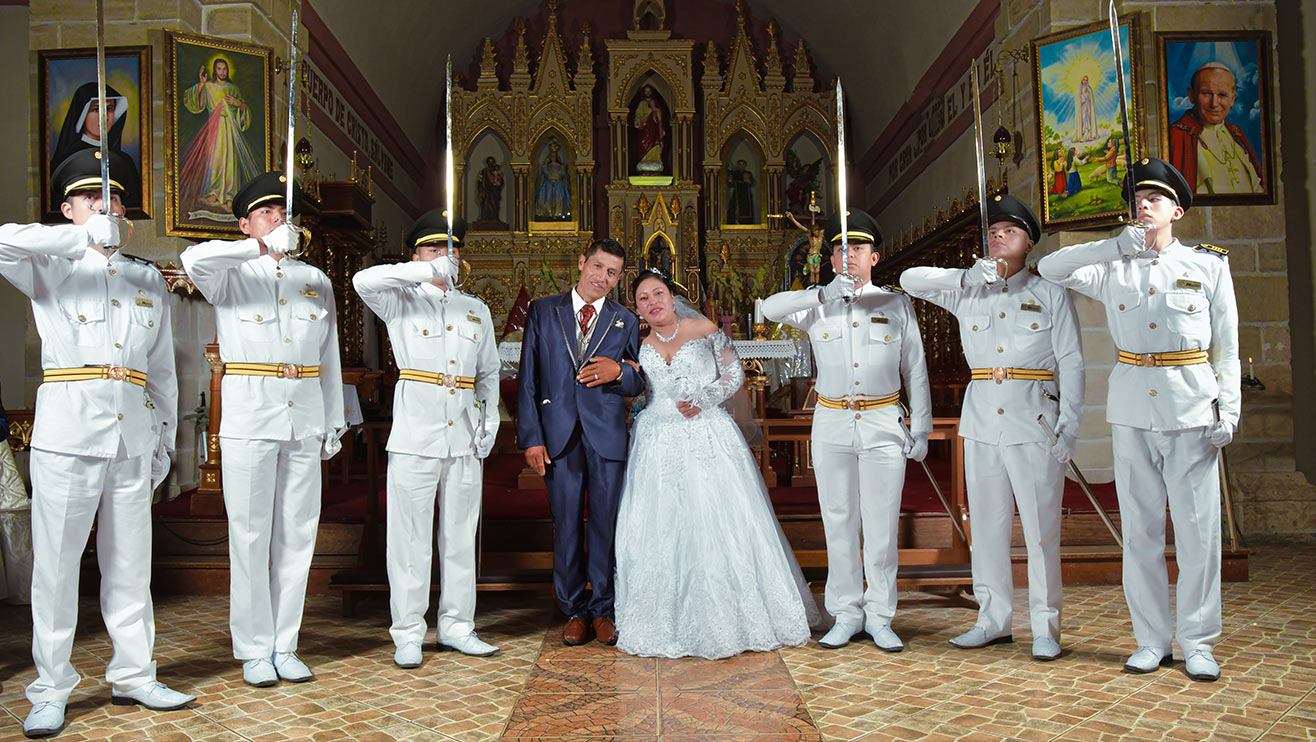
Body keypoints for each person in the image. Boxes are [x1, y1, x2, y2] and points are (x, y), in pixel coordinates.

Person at [1, 149, 192, 738]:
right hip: (68, 435)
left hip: (132, 435)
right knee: (56, 568)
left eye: (114, 202)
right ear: (67, 210)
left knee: (132, 565)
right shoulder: (49, 267)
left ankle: (135, 673)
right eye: (93, 199)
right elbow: (3, 240)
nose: (108, 208)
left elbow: (162, 372)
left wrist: (163, 436)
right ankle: (51, 687)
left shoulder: (144, 279)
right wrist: (76, 238)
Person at [1038, 157, 1239, 682]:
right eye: (1137, 199)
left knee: (1198, 534)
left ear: (1176, 209)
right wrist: (1111, 246)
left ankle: (1197, 641)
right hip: (1131, 411)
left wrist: (1230, 410)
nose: (1143, 206)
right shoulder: (1112, 268)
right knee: (1141, 532)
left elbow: (1228, 349)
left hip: (1191, 408)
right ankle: (1151, 639)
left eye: (1154, 198)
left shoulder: (1208, 266)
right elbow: (1048, 268)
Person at [900, 194, 1084, 661]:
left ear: (1029, 242)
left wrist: (1070, 426)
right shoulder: (969, 291)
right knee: (986, 526)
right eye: (994, 232)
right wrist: (965, 275)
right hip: (982, 422)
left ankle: (1045, 627)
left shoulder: (1049, 295)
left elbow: (1073, 363)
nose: (999, 237)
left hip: (1035, 422)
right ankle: (992, 619)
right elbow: (908, 279)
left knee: (1041, 531)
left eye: (1010, 232)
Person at [181, 171, 346, 688]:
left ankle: (285, 643)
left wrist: (333, 420)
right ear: (245, 223)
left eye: (284, 215)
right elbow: (193, 261)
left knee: (297, 533)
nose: (280, 221)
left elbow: (329, 355)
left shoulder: (314, 280)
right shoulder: (230, 274)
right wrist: (253, 248)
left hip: (304, 415)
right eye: (268, 214)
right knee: (250, 534)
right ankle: (254, 648)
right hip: (250, 417)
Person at [614, 270, 818, 658]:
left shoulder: (703, 327)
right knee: (660, 523)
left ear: (672, 297)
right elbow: (636, 388)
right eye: (643, 298)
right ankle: (660, 617)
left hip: (707, 432)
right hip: (656, 438)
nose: (653, 302)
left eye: (658, 293)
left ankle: (735, 615)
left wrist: (706, 398)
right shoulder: (638, 343)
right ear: (636, 308)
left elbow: (733, 372)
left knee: (717, 517)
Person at [762, 208, 932, 652]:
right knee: (838, 522)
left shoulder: (896, 303)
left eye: (858, 248)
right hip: (833, 420)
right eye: (841, 248)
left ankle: (880, 616)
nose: (848, 255)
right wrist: (820, 295)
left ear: (875, 257)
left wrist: (924, 428)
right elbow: (768, 308)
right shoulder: (818, 305)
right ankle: (845, 612)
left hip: (882, 421)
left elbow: (915, 369)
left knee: (880, 525)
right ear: (832, 258)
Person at [352, 210, 501, 667]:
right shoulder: (400, 299)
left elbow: (489, 373)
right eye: (434, 248)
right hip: (416, 432)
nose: (445, 257)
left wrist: (489, 421)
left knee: (459, 535)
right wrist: (425, 272)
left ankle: (458, 625)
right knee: (410, 538)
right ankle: (409, 632)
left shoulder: (474, 308)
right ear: (415, 255)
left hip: (463, 433)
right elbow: (363, 280)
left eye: (450, 250)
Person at [517, 239, 645, 646]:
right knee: (567, 523)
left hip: (606, 434)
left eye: (612, 273)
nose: (602, 278)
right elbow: (528, 379)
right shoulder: (543, 310)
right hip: (558, 435)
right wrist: (532, 438)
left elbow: (641, 379)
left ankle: (604, 609)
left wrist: (618, 371)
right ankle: (574, 609)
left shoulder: (625, 318)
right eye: (598, 267)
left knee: (606, 524)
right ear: (581, 263)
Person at [178, 58, 263, 215]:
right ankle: (214, 191)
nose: (222, 72)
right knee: (215, 158)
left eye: (224, 69)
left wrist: (239, 104)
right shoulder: (209, 86)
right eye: (219, 69)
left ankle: (230, 194)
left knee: (230, 161)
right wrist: (202, 84)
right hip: (214, 126)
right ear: (214, 71)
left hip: (230, 128)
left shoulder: (233, 89)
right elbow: (195, 103)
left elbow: (244, 111)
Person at [1167, 62, 1263, 195]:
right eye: (1206, 94)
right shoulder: (1177, 136)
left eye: (1222, 95)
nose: (1214, 103)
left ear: (1232, 99)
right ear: (1192, 95)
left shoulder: (1236, 133)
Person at [49, 83, 140, 209]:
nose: (104, 117)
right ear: (82, 114)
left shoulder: (125, 161)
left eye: (109, 109)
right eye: (96, 109)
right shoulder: (65, 161)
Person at [534, 141, 570, 221]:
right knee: (547, 200)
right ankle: (548, 214)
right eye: (552, 156)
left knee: (559, 200)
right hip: (548, 186)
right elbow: (545, 175)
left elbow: (563, 175)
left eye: (554, 156)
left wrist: (563, 169)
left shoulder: (560, 166)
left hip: (558, 186)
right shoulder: (548, 166)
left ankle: (558, 214)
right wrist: (544, 167)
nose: (553, 157)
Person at [633, 85, 666, 173]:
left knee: (655, 142)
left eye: (649, 91)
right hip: (645, 127)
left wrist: (655, 110)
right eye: (646, 91)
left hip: (654, 128)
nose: (647, 93)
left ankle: (655, 159)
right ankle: (645, 159)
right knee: (645, 143)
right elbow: (638, 114)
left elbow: (660, 116)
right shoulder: (642, 103)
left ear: (651, 92)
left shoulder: (655, 103)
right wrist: (639, 120)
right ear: (644, 93)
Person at [726, 159, 756, 224]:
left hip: (746, 195)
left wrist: (748, 180)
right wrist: (730, 180)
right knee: (733, 208)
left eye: (743, 164)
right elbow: (730, 184)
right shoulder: (734, 173)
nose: (741, 166)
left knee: (746, 210)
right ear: (738, 165)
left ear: (745, 165)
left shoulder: (748, 173)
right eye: (740, 164)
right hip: (737, 194)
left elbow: (752, 182)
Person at [476, 156, 504, 222]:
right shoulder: (484, 172)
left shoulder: (497, 172)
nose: (490, 163)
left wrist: (497, 184)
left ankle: (494, 217)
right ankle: (484, 217)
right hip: (486, 191)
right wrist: (480, 189)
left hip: (494, 192)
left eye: (492, 162)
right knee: (486, 204)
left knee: (494, 205)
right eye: (489, 162)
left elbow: (501, 181)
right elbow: (480, 180)